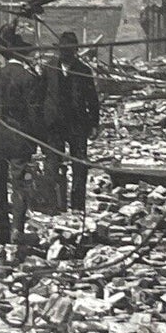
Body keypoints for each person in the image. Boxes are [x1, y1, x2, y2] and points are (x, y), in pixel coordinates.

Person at [0, 25, 46, 246]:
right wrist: (38, 140)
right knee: (20, 183)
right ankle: (17, 227)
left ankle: (2, 230)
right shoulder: (29, 78)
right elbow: (34, 113)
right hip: (20, 138)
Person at [43, 30, 99, 213]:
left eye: (70, 51)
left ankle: (77, 206)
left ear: (75, 51)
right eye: (63, 51)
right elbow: (40, 95)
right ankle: (54, 204)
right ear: (59, 51)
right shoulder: (49, 68)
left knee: (79, 166)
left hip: (77, 124)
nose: (66, 54)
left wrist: (94, 123)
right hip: (54, 125)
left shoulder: (83, 70)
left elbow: (92, 99)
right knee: (52, 165)